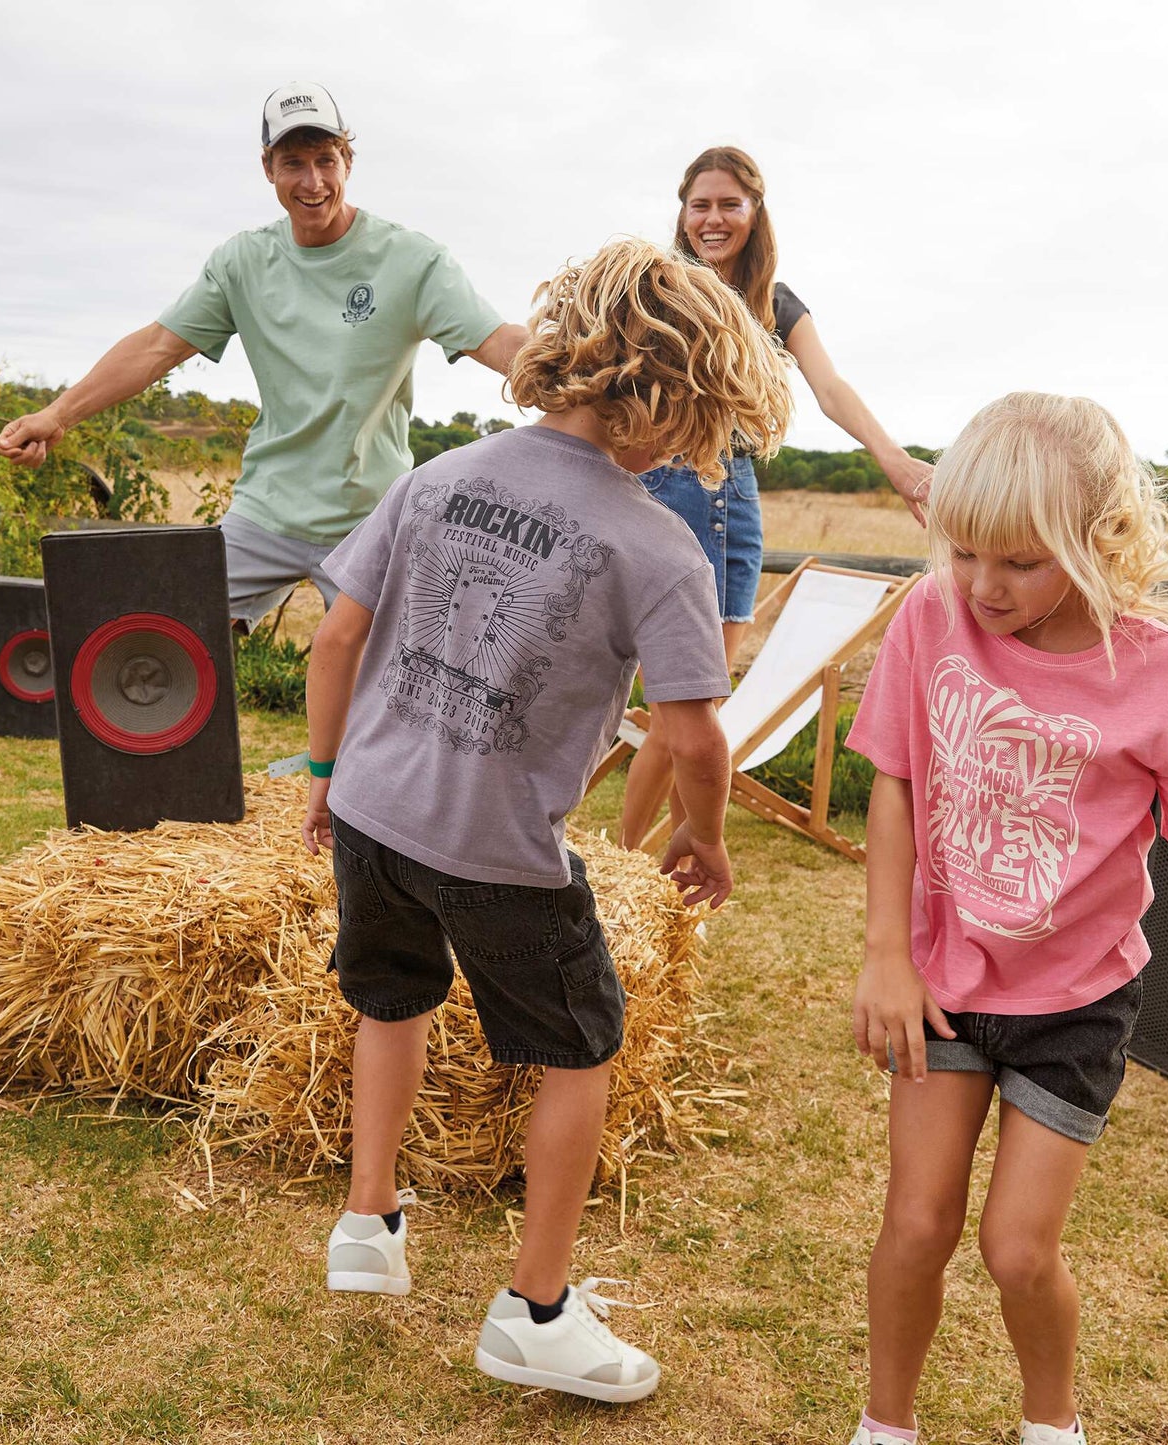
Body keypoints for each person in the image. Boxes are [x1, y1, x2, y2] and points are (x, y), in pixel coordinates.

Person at [298, 238, 792, 1402]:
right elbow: (690, 736)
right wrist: (705, 835)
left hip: (372, 816)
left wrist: (323, 769)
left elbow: (335, 635)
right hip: (500, 854)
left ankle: (366, 1222)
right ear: (677, 397)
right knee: (581, 1048)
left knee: (390, 994)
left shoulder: (435, 476)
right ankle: (535, 1308)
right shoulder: (655, 546)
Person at [842, 392, 1168, 1445]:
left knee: (1016, 1249)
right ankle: (882, 1426)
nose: (983, 587)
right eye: (965, 553)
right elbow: (896, 777)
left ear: (1097, 538)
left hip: (1074, 1002)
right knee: (912, 1224)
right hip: (942, 982)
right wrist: (886, 953)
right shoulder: (931, 615)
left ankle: (1052, 1424)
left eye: (1021, 563)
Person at [0, 83, 526, 630]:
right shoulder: (243, 263)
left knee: (369, 692)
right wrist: (55, 416)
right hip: (264, 513)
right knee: (158, 637)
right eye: (294, 162)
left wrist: (592, 371)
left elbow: (497, 340)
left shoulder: (412, 261)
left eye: (326, 160)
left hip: (370, 525)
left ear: (348, 161)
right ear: (268, 168)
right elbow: (155, 348)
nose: (313, 181)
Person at [620, 144, 933, 847]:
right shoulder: (654, 288)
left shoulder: (775, 304)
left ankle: (670, 880)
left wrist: (892, 459)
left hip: (730, 500)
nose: (712, 218)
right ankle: (615, 876)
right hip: (656, 490)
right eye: (699, 204)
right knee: (677, 716)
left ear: (754, 212)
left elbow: (828, 388)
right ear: (681, 212)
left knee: (695, 714)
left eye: (729, 204)